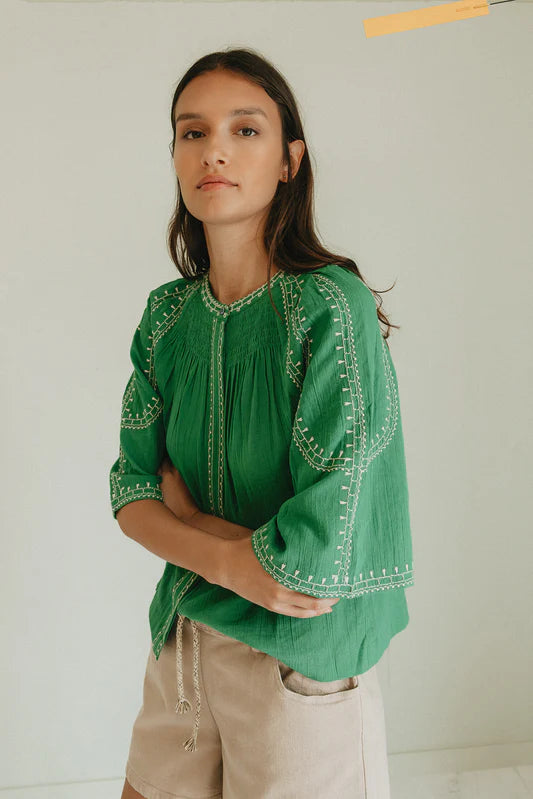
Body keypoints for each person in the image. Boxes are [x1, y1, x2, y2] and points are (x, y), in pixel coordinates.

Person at [110, 47, 414, 799]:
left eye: (245, 130)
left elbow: (304, 572)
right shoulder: (165, 317)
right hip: (182, 645)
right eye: (192, 132)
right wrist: (227, 554)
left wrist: (186, 523)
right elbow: (129, 493)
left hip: (298, 667)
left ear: (289, 160)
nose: (213, 148)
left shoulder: (328, 310)